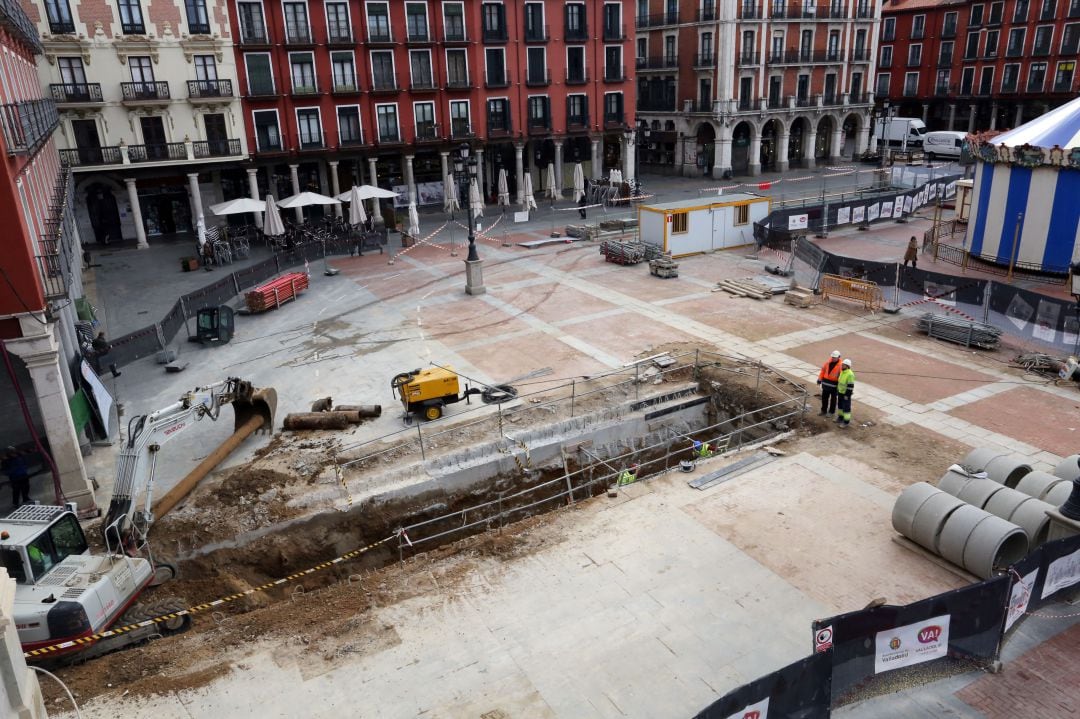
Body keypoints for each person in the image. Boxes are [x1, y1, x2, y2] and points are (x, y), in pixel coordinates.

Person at [817, 350, 843, 417]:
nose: (833, 358)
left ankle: (831, 412)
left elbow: (842, 377)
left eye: (835, 357)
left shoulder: (841, 366)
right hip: (825, 384)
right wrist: (819, 379)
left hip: (834, 386)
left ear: (839, 357)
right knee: (824, 398)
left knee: (833, 400)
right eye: (832, 357)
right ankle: (823, 410)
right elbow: (822, 371)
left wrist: (839, 387)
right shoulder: (827, 363)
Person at [836, 359, 856, 428]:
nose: (842, 365)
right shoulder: (842, 371)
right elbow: (840, 382)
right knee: (840, 406)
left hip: (845, 395)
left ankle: (846, 422)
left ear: (847, 366)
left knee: (846, 408)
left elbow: (850, 386)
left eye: (843, 365)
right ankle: (840, 417)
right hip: (840, 392)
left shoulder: (850, 374)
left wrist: (847, 395)